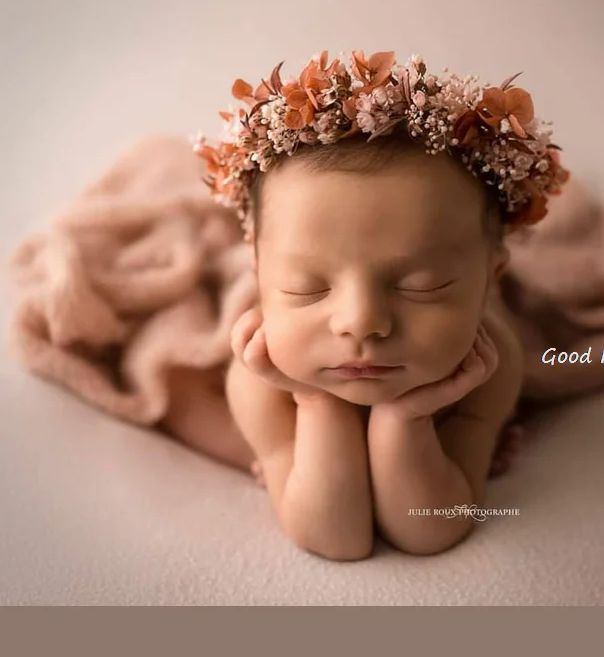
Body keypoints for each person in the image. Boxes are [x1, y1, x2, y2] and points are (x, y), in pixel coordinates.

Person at [194, 50, 569, 560]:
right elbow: (335, 538)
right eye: (307, 287)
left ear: (488, 281)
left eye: (424, 286)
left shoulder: (487, 365)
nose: (362, 322)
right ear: (260, 275)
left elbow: (431, 529)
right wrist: (313, 402)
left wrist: (408, 418)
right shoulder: (259, 375)